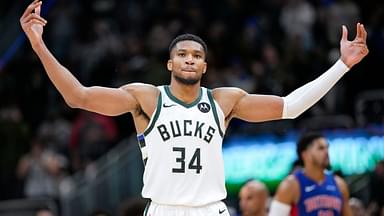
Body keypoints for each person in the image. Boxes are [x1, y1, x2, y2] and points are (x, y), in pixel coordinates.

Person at [20, 1, 368, 215]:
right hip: (163, 210)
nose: (190, 59)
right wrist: (38, 45)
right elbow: (78, 96)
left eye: (197, 56)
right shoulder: (146, 98)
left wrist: (342, 65)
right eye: (182, 54)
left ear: (204, 66)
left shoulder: (224, 100)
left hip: (210, 210)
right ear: (169, 64)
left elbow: (291, 107)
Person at [269, 132, 353, 216]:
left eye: (327, 148)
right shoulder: (290, 185)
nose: (326, 152)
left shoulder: (339, 184)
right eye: (321, 148)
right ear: (305, 154)